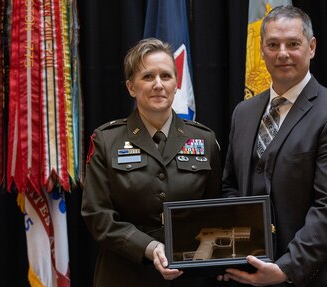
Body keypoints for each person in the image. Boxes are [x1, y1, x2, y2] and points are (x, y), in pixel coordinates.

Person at [220, 5, 327, 287]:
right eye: (273, 44)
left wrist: (286, 268)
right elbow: (231, 188)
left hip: (315, 275)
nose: (282, 53)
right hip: (252, 274)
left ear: (311, 47)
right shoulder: (244, 112)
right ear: (261, 50)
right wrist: (233, 254)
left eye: (293, 44)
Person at [81, 38, 222, 287]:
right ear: (131, 87)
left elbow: (215, 210)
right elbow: (97, 215)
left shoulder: (205, 139)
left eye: (166, 76)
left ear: (177, 85)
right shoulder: (106, 140)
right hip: (125, 273)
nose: (158, 85)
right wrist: (148, 247)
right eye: (148, 77)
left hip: (189, 275)